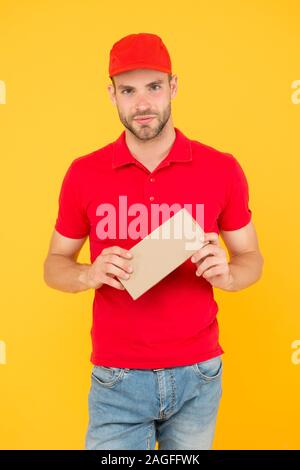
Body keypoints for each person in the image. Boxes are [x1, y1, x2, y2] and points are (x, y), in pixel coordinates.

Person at [43, 32, 264, 450]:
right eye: (128, 90)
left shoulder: (221, 168)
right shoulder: (83, 173)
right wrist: (88, 273)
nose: (142, 104)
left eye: (154, 87)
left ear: (173, 87)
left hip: (199, 373)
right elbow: (54, 263)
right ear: (112, 95)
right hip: (117, 377)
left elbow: (250, 255)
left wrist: (232, 276)